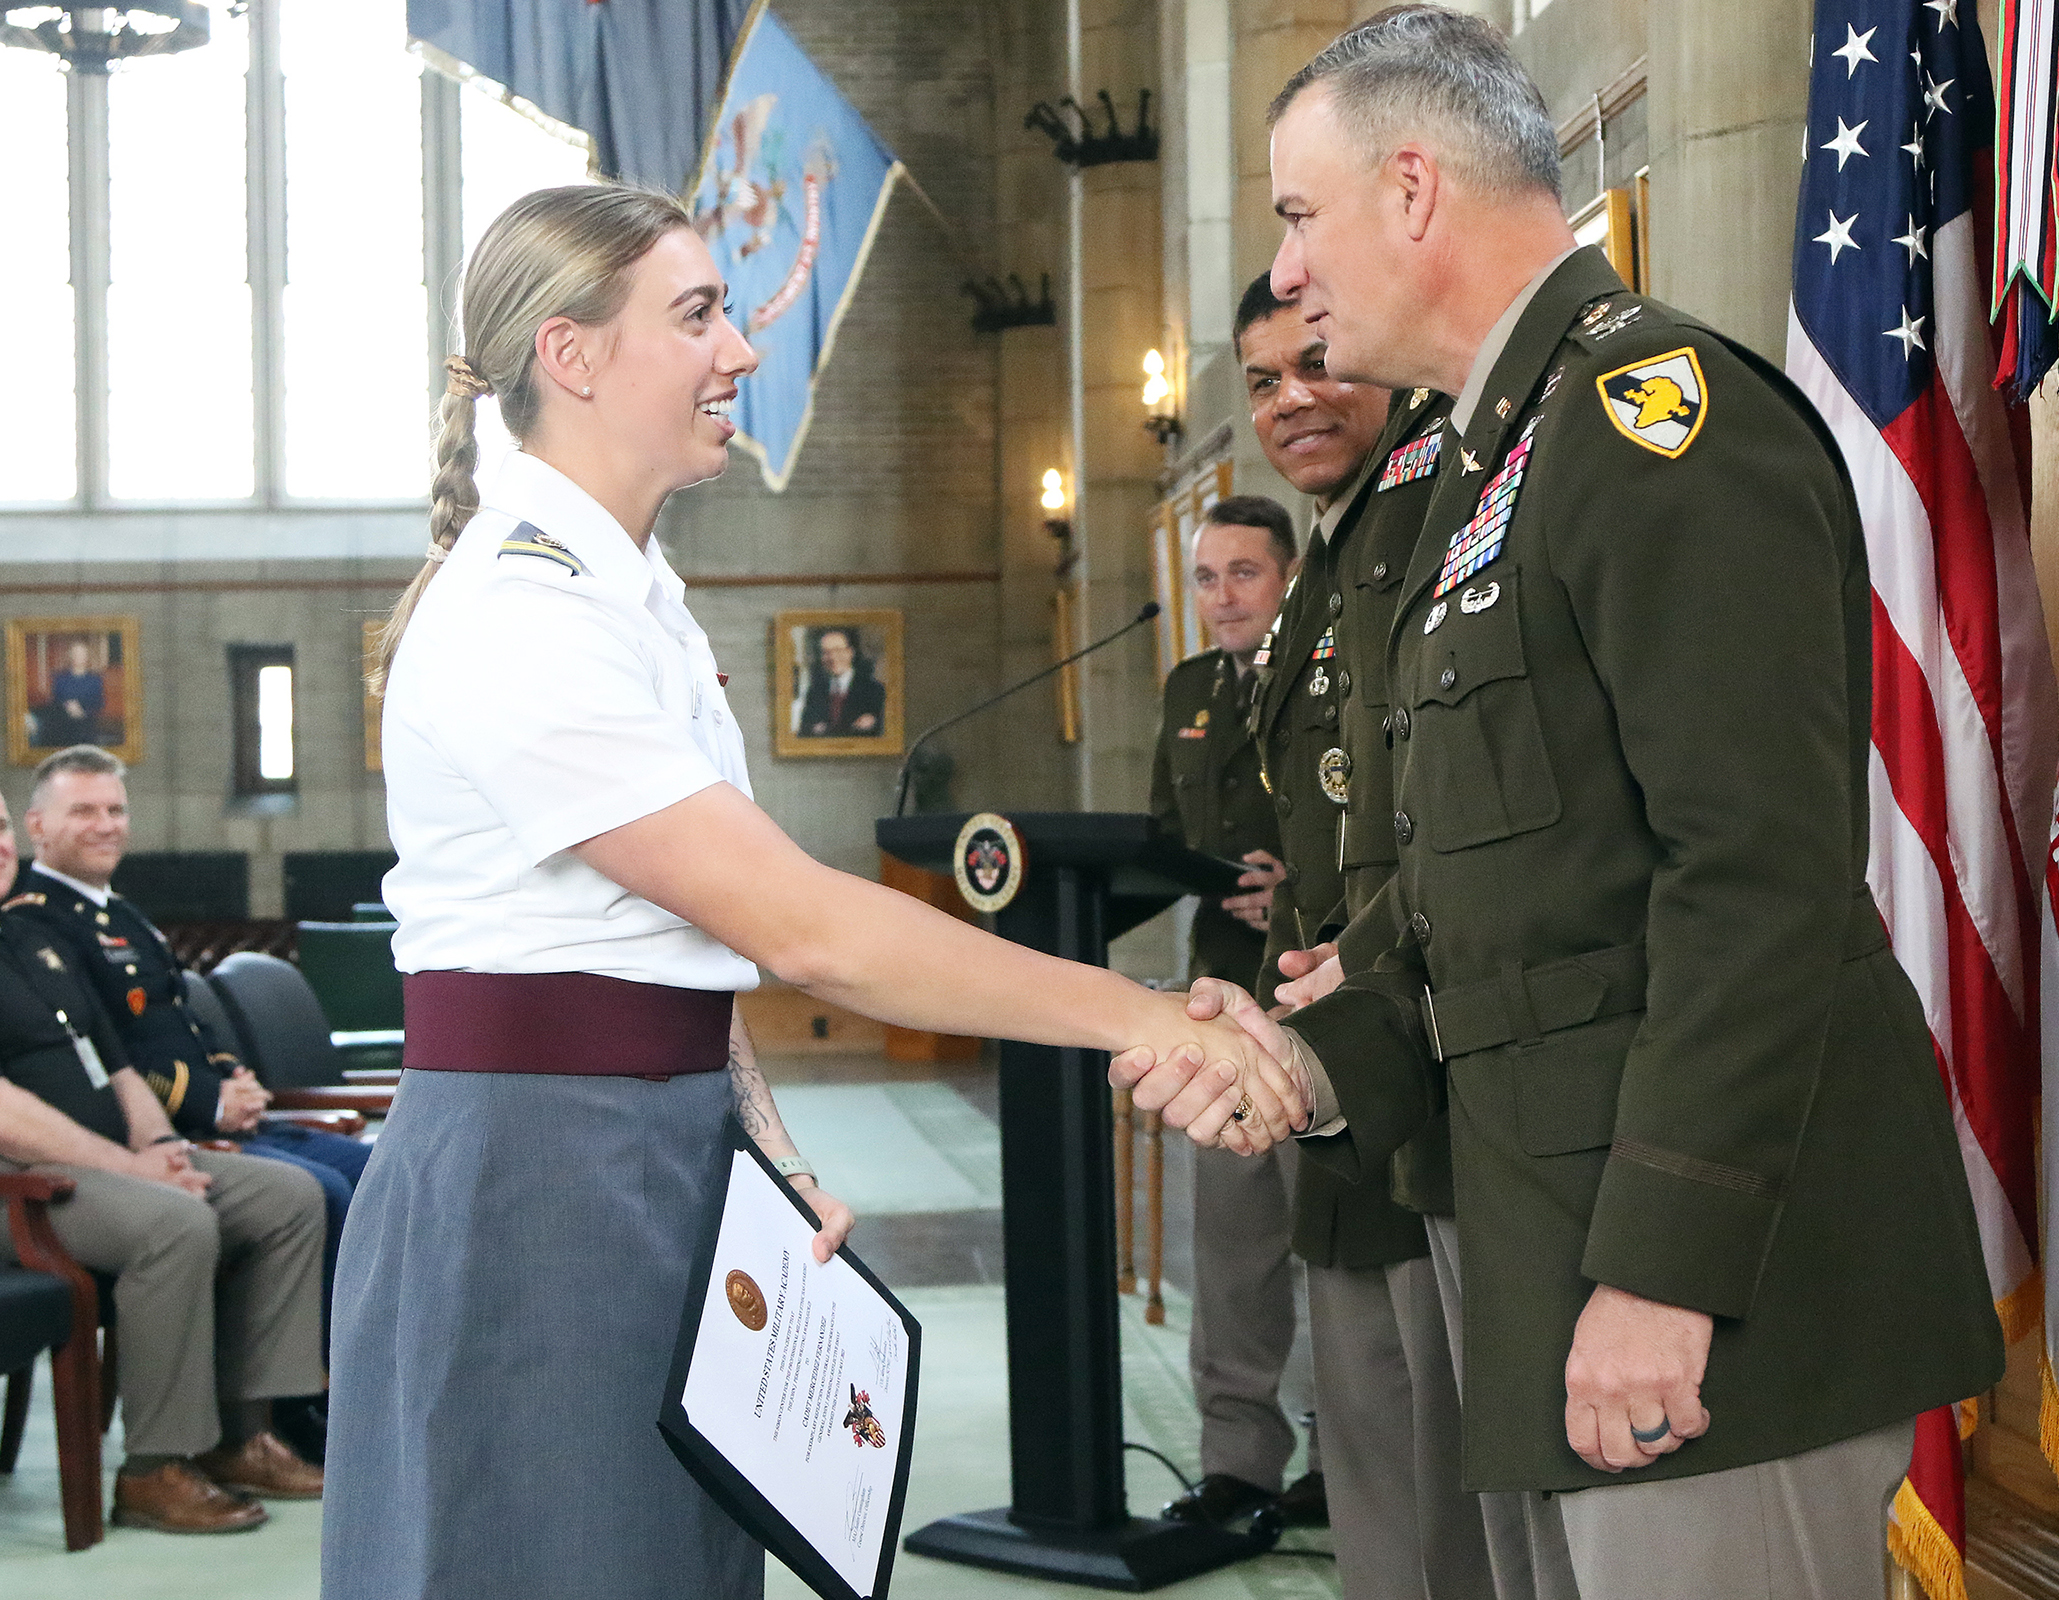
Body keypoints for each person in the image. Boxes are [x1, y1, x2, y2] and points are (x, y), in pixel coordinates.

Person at [1118, 11, 2004, 1600]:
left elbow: (1754, 883)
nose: (1291, 270)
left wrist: (1664, 1274)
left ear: (1410, 191)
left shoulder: (1655, 424)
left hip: (1703, 1297)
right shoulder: (1482, 472)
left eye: (1300, 217)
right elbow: (1500, 908)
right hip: (1541, 1255)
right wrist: (1312, 1061)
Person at [325, 183, 1289, 1600]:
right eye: (700, 315)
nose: (743, 352)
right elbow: (802, 927)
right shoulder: (525, 610)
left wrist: (761, 1143)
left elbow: (671, 946)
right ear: (572, 354)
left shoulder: (626, 590)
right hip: (540, 1181)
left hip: (650, 1142)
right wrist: (1146, 1018)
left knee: (667, 1563)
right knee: (552, 1556)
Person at [1236, 271, 1515, 1600]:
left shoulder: (1426, 518)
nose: (1290, 401)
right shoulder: (1336, 556)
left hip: (1418, 1031)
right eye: (1258, 385)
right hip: (1338, 1027)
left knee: (1437, 1429)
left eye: (1312, 363)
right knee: (1372, 1416)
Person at [0, 792, 327, 1533]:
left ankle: (244, 1435)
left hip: (103, 1165)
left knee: (285, 1198)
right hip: (20, 1183)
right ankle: (155, 1468)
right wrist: (129, 1167)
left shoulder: (26, 938)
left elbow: (113, 1065)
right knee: (174, 1224)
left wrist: (158, 1149)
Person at [8, 746, 371, 1376]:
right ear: (38, 826)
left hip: (184, 1122)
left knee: (368, 1175)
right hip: (145, 1136)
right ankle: (306, 1405)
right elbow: (97, 1057)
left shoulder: (120, 913)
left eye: (116, 809)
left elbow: (182, 1020)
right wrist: (200, 1108)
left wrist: (234, 1076)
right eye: (85, 811)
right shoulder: (37, 923)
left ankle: (334, 1390)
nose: (107, 824)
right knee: (319, 1190)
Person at [1146, 495, 1325, 1530]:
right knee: (1233, 1244)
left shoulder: (1332, 665)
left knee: (1331, 1245)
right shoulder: (1189, 687)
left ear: (1289, 575)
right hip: (1221, 993)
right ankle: (1241, 1458)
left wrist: (1292, 887)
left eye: (1243, 573)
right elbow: (1165, 829)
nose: (1222, 597)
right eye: (1207, 577)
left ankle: (1343, 1461)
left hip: (1317, 989)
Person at [794, 625, 886, 738]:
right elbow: (804, 733)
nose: (832, 657)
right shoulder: (814, 692)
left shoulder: (874, 690)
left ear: (850, 652)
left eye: (838, 650)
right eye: (826, 652)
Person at [43, 639, 106, 748]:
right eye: (75, 654)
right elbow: (54, 703)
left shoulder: (95, 679)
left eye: (82, 654)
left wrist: (82, 711)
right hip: (63, 726)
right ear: (70, 656)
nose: (78, 657)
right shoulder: (59, 679)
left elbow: (99, 703)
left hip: (86, 726)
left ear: (87, 657)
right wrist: (67, 706)